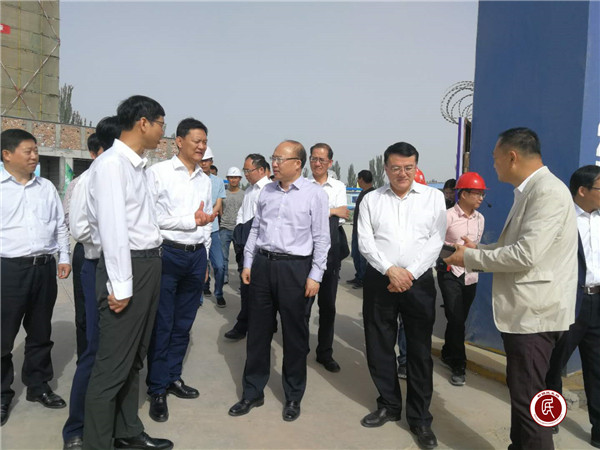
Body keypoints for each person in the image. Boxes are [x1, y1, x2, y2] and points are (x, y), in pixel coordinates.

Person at [445, 127, 578, 450]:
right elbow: (517, 247)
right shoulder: (531, 191)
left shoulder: (547, 192)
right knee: (524, 398)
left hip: (534, 316)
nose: (494, 165)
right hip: (528, 314)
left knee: (530, 406)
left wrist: (470, 258)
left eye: (495, 158)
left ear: (512, 157)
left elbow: (525, 255)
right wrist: (479, 249)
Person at [83, 95, 173, 450]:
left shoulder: (138, 167)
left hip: (148, 264)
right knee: (111, 366)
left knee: (134, 357)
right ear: (143, 122)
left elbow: (146, 221)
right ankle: (97, 442)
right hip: (128, 266)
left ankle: (127, 431)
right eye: (161, 124)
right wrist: (120, 285)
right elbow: (113, 230)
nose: (163, 132)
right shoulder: (112, 165)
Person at [228, 140, 330, 422]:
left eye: (279, 159)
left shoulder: (314, 194)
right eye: (273, 157)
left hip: (295, 269)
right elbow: (256, 229)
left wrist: (315, 275)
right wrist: (248, 262)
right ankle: (252, 392)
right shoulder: (267, 191)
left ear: (297, 164)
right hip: (263, 265)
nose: (274, 163)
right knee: (258, 332)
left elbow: (322, 238)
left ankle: (293, 395)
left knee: (295, 335)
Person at [358, 142, 445, 449]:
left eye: (408, 168)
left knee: (419, 351)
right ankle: (389, 405)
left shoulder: (433, 198)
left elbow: (436, 240)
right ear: (386, 168)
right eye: (396, 168)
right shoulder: (372, 199)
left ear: (416, 167)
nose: (402, 173)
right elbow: (365, 241)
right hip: (380, 279)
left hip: (418, 282)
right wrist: (390, 270)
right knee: (379, 344)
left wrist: (409, 273)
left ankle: (420, 418)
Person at [145, 118, 217, 423]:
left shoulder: (205, 180)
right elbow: (150, 218)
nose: (201, 147)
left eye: (204, 142)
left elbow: (207, 223)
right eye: (196, 141)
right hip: (167, 254)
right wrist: (190, 221)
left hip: (195, 256)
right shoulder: (158, 173)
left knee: (183, 323)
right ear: (179, 141)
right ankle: (156, 388)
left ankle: (173, 376)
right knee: (162, 323)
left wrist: (206, 259)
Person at [1, 129, 71, 427]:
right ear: (7, 154)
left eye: (35, 150)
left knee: (41, 331)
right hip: (7, 270)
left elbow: (60, 224)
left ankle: (38, 386)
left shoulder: (46, 188)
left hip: (43, 268)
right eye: (28, 151)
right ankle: (2, 394)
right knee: (3, 336)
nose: (34, 156)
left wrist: (64, 257)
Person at [62, 116, 120, 450]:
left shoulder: (131, 175)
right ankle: (77, 428)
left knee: (116, 351)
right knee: (93, 348)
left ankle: (114, 423)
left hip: (123, 266)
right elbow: (79, 228)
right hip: (97, 262)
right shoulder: (89, 179)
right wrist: (115, 241)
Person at [545, 165, 600, 447]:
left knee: (597, 368)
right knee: (555, 363)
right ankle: (549, 417)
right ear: (582, 190)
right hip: (569, 301)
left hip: (597, 302)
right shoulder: (562, 218)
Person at [438, 172, 486, 387]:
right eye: (477, 193)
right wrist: (454, 249)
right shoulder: (447, 216)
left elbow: (477, 246)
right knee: (456, 318)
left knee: (458, 319)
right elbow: (435, 243)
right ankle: (459, 365)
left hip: (471, 275)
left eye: (483, 194)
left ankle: (447, 351)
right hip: (450, 273)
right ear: (463, 194)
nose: (481, 198)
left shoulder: (480, 219)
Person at [62, 134, 104, 362]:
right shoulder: (79, 183)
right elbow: (68, 221)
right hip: (86, 253)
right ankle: (86, 358)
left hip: (115, 254)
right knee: (85, 311)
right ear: (93, 154)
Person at [308, 142, 349, 373]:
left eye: (322, 160)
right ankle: (299, 349)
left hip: (331, 254)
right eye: (314, 158)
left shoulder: (338, 186)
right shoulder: (302, 185)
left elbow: (343, 215)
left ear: (330, 163)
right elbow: (302, 215)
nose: (317, 163)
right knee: (303, 306)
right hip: (305, 252)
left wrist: (323, 213)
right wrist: (331, 211)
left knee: (327, 306)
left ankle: (325, 353)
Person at [224, 154, 270, 341]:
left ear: (261, 170)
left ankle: (254, 326)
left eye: (248, 171)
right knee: (246, 288)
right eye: (245, 171)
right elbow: (242, 214)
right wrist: (239, 233)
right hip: (245, 244)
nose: (246, 174)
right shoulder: (250, 190)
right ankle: (244, 325)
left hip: (261, 249)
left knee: (258, 291)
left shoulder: (269, 190)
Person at [200, 147, 227, 307]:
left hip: (213, 229)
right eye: (201, 160)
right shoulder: (192, 179)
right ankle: (200, 294)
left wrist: (209, 217)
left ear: (211, 162)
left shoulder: (217, 182)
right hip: (197, 229)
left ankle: (219, 293)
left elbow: (218, 203)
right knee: (200, 265)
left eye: (206, 160)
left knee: (219, 265)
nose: (203, 163)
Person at [347, 170, 374, 289]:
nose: (357, 181)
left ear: (361, 179)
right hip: (356, 230)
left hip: (365, 232)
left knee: (363, 257)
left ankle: (363, 279)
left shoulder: (373, 195)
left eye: (358, 179)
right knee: (356, 255)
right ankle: (358, 276)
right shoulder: (363, 193)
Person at [220, 167, 244, 285]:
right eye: (231, 177)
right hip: (224, 228)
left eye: (235, 177)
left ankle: (242, 278)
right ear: (227, 178)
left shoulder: (244, 194)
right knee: (223, 256)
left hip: (238, 229)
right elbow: (220, 208)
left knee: (240, 256)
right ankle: (224, 276)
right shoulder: (223, 194)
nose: (233, 180)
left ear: (239, 179)